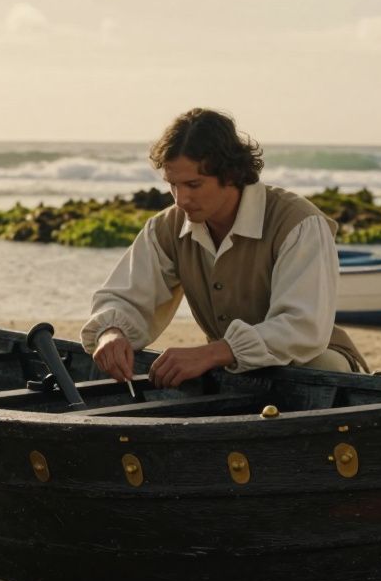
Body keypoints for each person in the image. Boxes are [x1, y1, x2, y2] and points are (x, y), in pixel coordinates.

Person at [84, 108, 366, 387]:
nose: (181, 199)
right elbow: (126, 295)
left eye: (194, 184)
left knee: (312, 372)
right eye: (173, 185)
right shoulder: (167, 227)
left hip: (318, 365)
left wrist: (212, 353)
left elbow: (302, 328)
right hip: (234, 371)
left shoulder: (299, 223)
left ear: (230, 174)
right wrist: (111, 332)